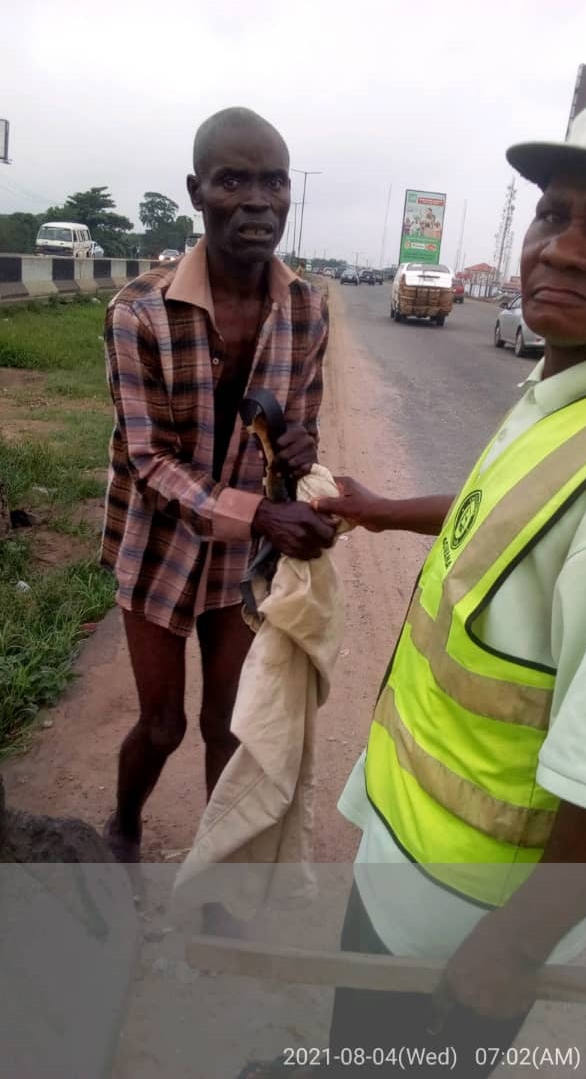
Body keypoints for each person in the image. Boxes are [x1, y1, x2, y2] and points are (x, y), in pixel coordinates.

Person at [247, 83, 586, 1078]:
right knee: (356, 1051)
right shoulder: (570, 386)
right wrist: (385, 510)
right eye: (554, 213)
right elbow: (500, 503)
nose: (560, 245)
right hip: (407, 859)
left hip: (470, 918)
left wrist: (512, 951)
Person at [101, 107, 335, 863]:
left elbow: (300, 433)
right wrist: (262, 514)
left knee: (227, 729)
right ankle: (125, 824)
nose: (259, 200)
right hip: (162, 546)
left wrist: (300, 451)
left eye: (274, 181)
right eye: (234, 180)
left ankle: (217, 871)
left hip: (242, 560)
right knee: (163, 724)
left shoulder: (306, 309)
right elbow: (149, 462)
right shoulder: (138, 312)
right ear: (198, 191)